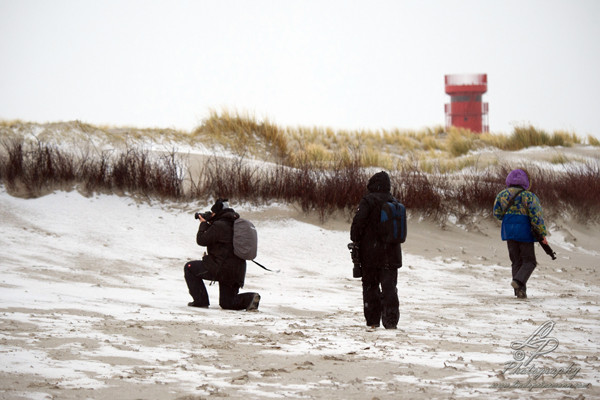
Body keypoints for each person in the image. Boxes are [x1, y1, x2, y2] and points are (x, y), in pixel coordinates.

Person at [184, 199, 261, 311]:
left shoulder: (219, 226)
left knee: (189, 267)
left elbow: (201, 240)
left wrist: (203, 224)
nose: (211, 215)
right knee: (228, 303)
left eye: (213, 213)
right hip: (237, 271)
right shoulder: (236, 224)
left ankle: (201, 301)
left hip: (221, 268)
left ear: (218, 212)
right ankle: (250, 298)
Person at [350, 171, 401, 329]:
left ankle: (373, 321)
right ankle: (391, 322)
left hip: (370, 255)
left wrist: (356, 240)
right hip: (391, 254)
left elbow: (357, 225)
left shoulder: (368, 200)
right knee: (389, 288)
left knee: (370, 287)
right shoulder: (394, 202)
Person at [493, 169, 548, 299]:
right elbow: (537, 217)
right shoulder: (529, 197)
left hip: (509, 232)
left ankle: (520, 292)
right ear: (525, 182)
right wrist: (542, 234)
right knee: (529, 262)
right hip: (525, 233)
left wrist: (510, 220)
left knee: (516, 261)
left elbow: (497, 214)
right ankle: (518, 282)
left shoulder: (502, 195)